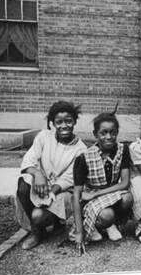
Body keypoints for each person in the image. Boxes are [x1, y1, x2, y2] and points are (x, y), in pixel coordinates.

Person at [15, 101, 87, 250]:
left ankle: (55, 222)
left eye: (68, 121)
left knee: (38, 216)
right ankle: (37, 232)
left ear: (74, 121)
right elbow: (29, 159)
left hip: (61, 190)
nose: (64, 126)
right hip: (40, 184)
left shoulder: (81, 149)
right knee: (24, 183)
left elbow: (69, 177)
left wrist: (51, 192)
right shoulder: (44, 137)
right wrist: (37, 174)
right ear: (52, 123)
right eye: (59, 122)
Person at [72, 109, 133, 254]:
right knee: (107, 215)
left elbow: (124, 183)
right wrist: (79, 232)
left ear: (117, 132)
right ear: (95, 135)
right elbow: (76, 195)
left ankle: (113, 224)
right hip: (91, 198)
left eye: (113, 132)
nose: (109, 137)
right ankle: (101, 225)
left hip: (109, 192)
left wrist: (97, 193)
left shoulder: (123, 150)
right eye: (103, 133)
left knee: (128, 198)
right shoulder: (84, 158)